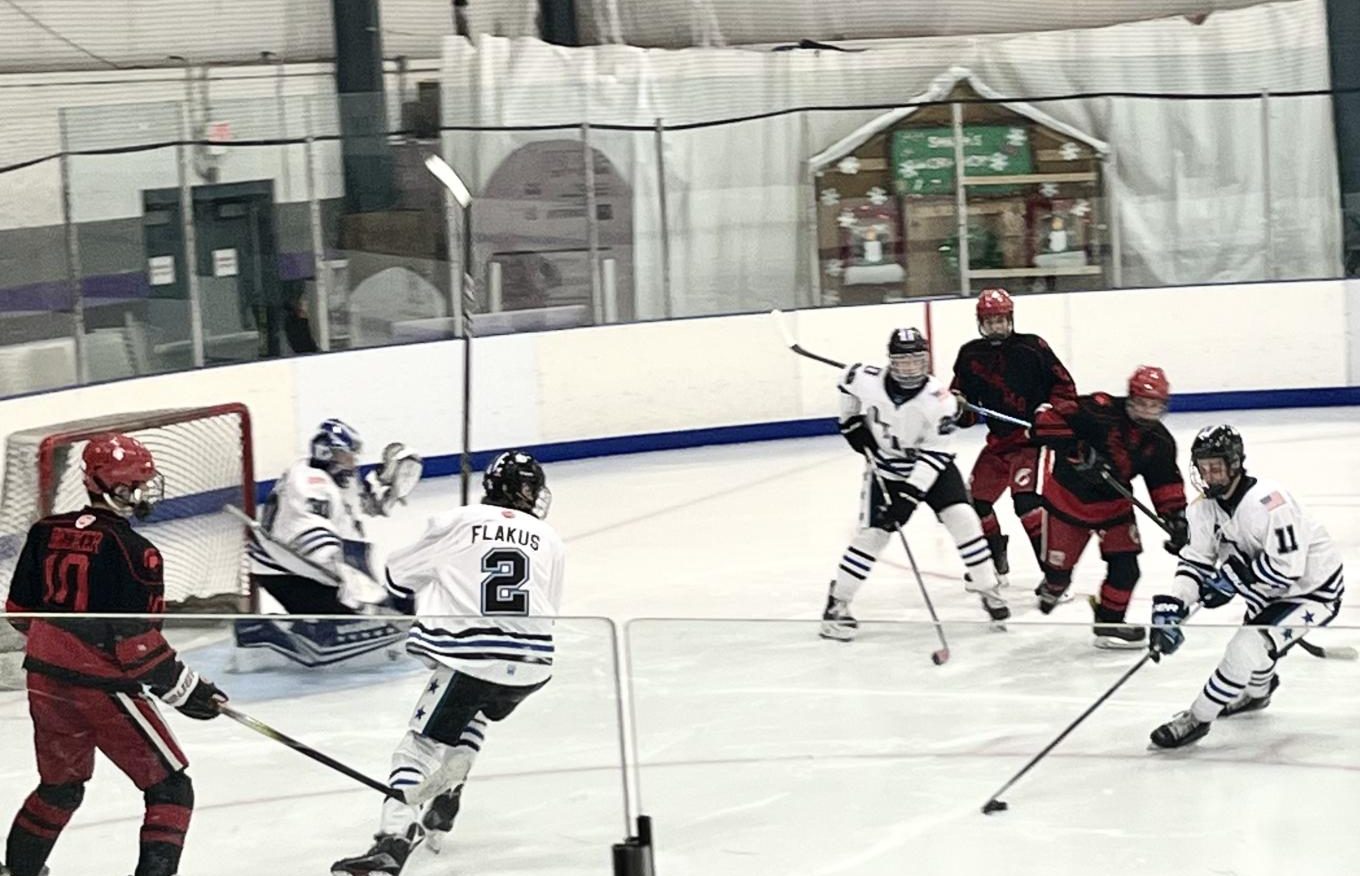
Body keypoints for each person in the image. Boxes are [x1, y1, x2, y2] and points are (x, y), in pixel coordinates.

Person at [1, 433, 227, 876]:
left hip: (44, 679)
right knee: (171, 789)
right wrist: (189, 691)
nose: (145, 492)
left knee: (60, 786)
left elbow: (17, 613)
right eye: (137, 484)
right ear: (113, 488)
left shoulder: (45, 531)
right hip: (101, 687)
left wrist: (59, 642)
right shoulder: (136, 552)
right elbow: (137, 645)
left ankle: (17, 871)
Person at [331, 450, 566, 875]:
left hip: (473, 657)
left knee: (419, 745)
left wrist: (453, 550)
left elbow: (396, 576)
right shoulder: (549, 538)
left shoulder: (457, 521)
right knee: (471, 713)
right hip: (534, 663)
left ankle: (392, 841)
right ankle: (447, 796)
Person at [1147, 425, 1344, 748]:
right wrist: (1174, 606)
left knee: (1246, 647)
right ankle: (1258, 695)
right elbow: (1195, 563)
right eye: (1203, 467)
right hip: (1266, 590)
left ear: (1235, 463)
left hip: (1312, 591)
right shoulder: (1202, 508)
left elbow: (1287, 568)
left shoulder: (1270, 502)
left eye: (1216, 467)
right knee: (1258, 645)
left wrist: (1231, 581)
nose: (1209, 475)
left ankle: (1198, 718)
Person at [821, 328, 1009, 641]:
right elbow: (845, 381)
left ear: (927, 360)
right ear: (890, 361)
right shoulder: (865, 377)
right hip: (886, 468)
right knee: (873, 535)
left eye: (916, 359)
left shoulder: (940, 401)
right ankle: (837, 605)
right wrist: (850, 422)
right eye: (902, 360)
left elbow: (936, 455)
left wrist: (907, 498)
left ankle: (989, 589)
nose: (909, 367)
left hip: (931, 467)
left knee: (963, 519)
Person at [1028, 365, 1188, 648]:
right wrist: (1075, 449)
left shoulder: (1159, 441)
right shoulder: (1098, 410)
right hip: (1069, 502)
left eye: (1155, 406)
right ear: (1130, 398)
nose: (1148, 412)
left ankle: (1109, 623)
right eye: (1142, 404)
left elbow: (1164, 481)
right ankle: (1053, 586)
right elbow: (1044, 421)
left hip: (1114, 506)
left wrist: (1175, 516)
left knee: (1127, 569)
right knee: (1058, 573)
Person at [950, 287, 1077, 587]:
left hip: (1032, 441)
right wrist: (957, 405)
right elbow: (964, 411)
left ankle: (1054, 576)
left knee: (1027, 504)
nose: (997, 326)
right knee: (975, 504)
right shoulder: (970, 356)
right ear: (981, 322)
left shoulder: (1033, 347)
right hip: (999, 444)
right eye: (990, 321)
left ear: (1011, 319)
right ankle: (996, 561)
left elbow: (1066, 389)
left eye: (1002, 320)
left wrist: (1050, 411)